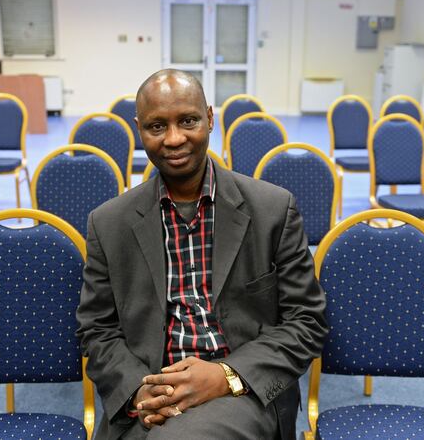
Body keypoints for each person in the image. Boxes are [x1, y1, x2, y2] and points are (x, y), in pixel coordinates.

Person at [76, 69, 327, 439]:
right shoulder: (109, 223)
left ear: (210, 118)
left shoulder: (272, 209)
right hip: (148, 399)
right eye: (156, 126)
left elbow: (307, 322)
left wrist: (225, 375)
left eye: (188, 121)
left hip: (242, 391)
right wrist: (139, 391)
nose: (174, 139)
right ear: (139, 129)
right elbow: (97, 330)